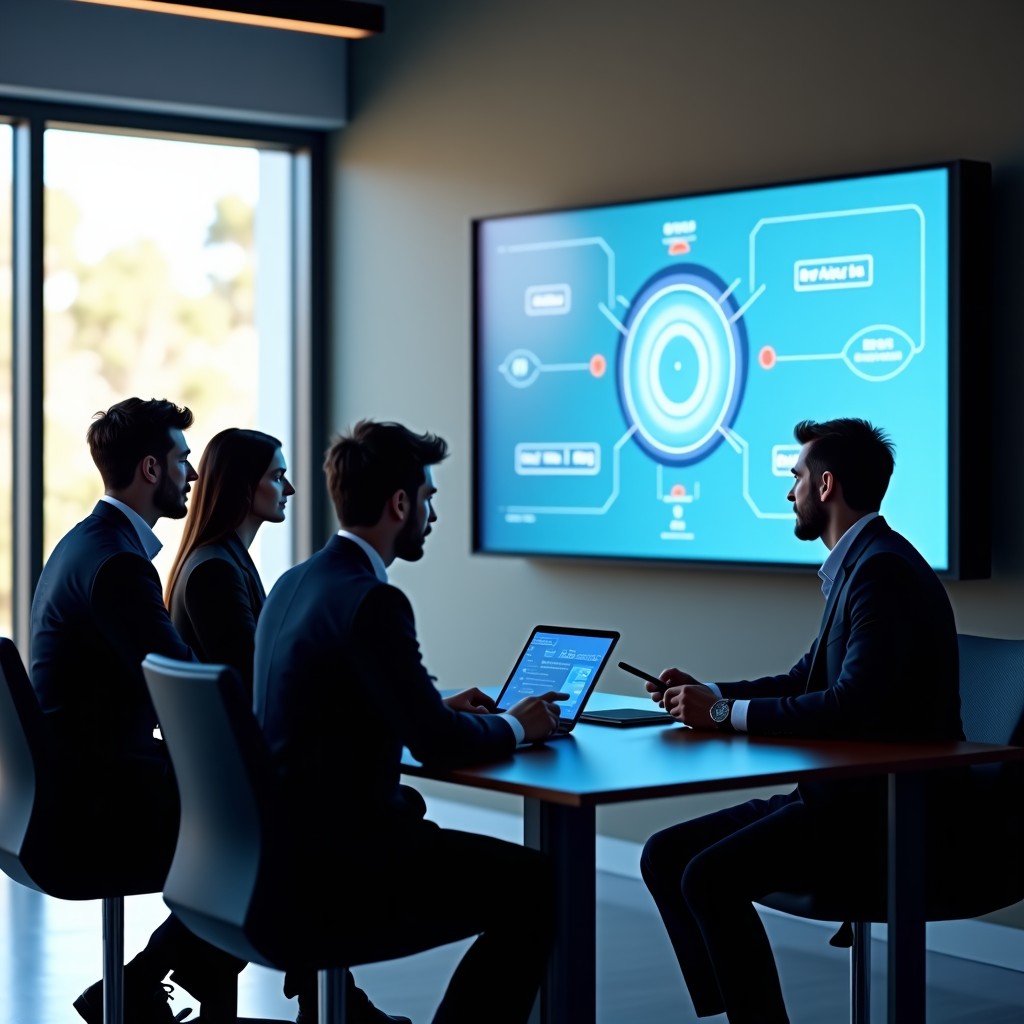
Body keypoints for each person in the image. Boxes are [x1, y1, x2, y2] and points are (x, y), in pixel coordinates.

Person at [639, 417, 964, 1024]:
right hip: (836, 801)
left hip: (880, 817)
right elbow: (802, 682)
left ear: (825, 486)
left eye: (796, 478)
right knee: (664, 854)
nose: (789, 492)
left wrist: (720, 713)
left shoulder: (882, 572)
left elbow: (848, 706)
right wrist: (708, 692)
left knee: (707, 878)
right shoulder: (862, 564)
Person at [254, 419, 565, 1024]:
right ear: (400, 503)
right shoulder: (374, 599)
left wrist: (426, 706)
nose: (433, 515)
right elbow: (438, 746)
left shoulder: (296, 583)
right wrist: (519, 727)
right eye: (429, 499)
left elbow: (331, 710)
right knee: (538, 885)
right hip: (339, 867)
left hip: (276, 856)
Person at [164, 428, 406, 1024]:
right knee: (363, 814)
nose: (291, 487)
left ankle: (325, 992)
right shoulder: (217, 573)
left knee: (332, 820)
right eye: (277, 475)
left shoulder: (222, 562)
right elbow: (258, 691)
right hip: (239, 781)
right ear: (245, 488)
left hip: (225, 775)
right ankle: (329, 994)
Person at [30, 397, 244, 1024]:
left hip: (69, 780)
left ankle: (143, 982)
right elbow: (183, 690)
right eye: (183, 460)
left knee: (260, 814)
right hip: (94, 795)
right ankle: (145, 983)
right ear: (151, 470)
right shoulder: (120, 564)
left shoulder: (88, 542)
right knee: (266, 822)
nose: (193, 475)